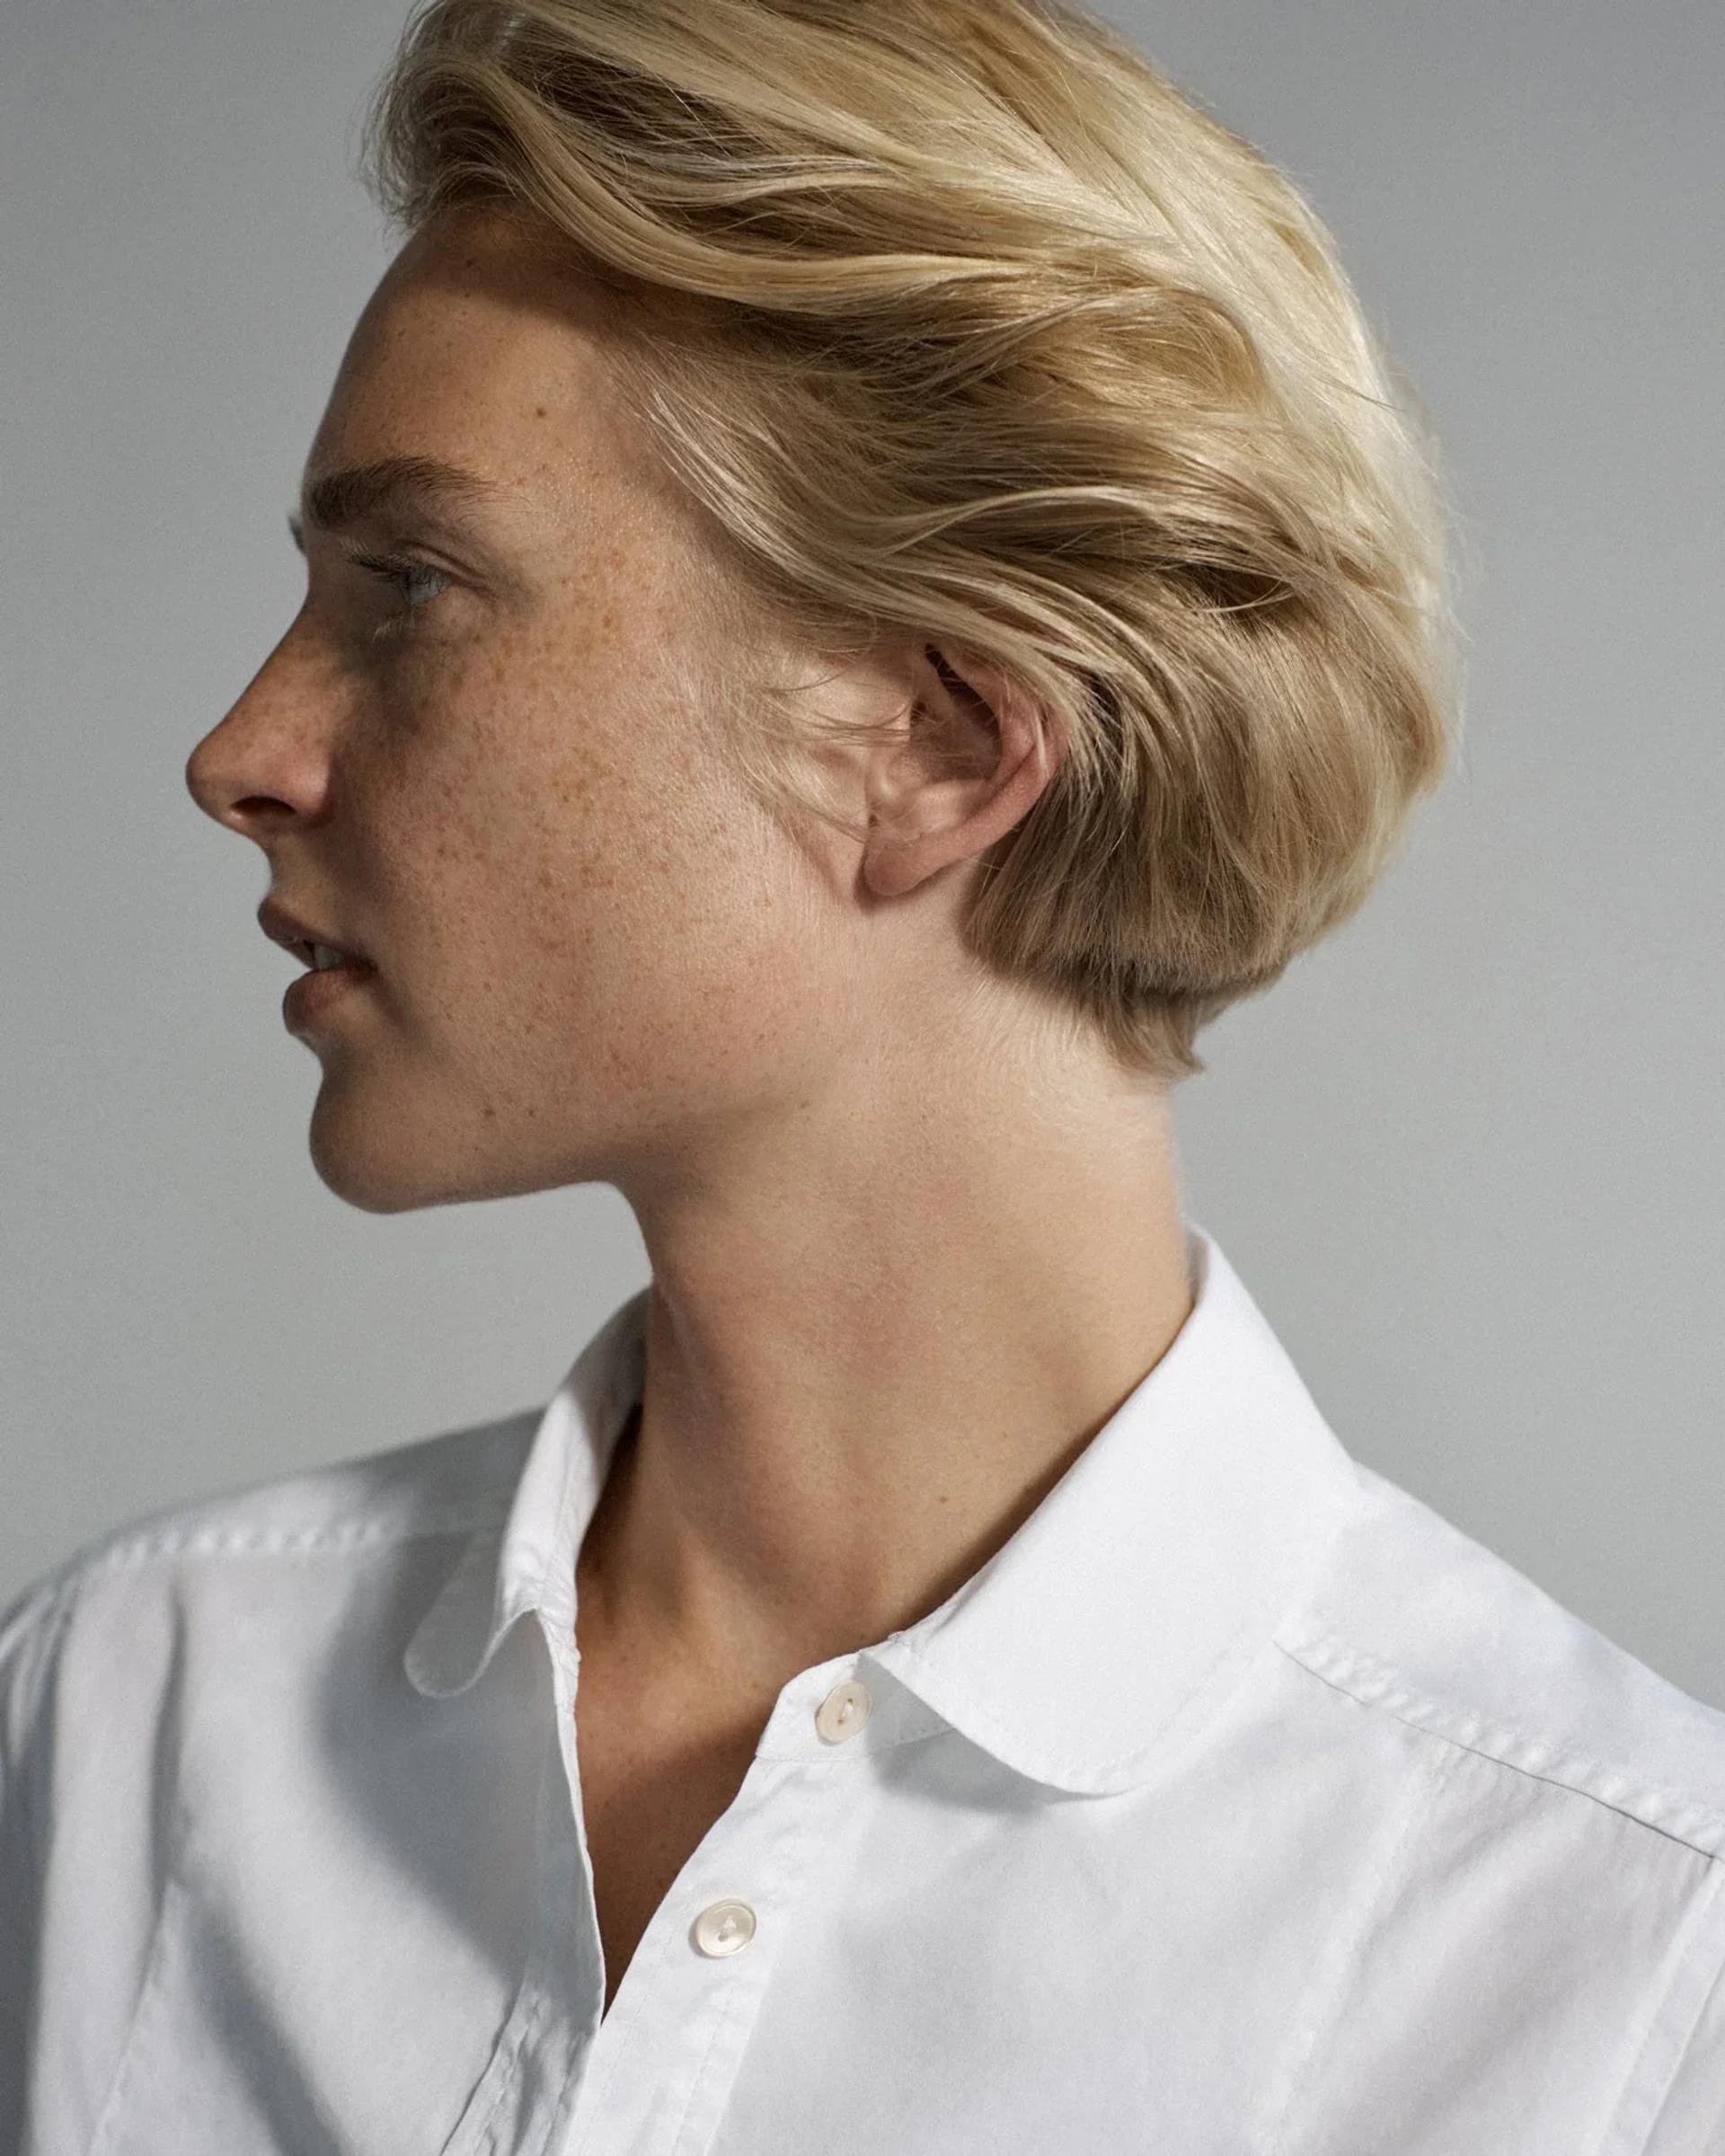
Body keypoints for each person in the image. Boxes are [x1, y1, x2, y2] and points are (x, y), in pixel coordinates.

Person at [4, 0, 1721, 2147]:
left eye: (412, 586)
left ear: (933, 745)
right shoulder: (124, 1723)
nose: (242, 752)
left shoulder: (1623, 1983)